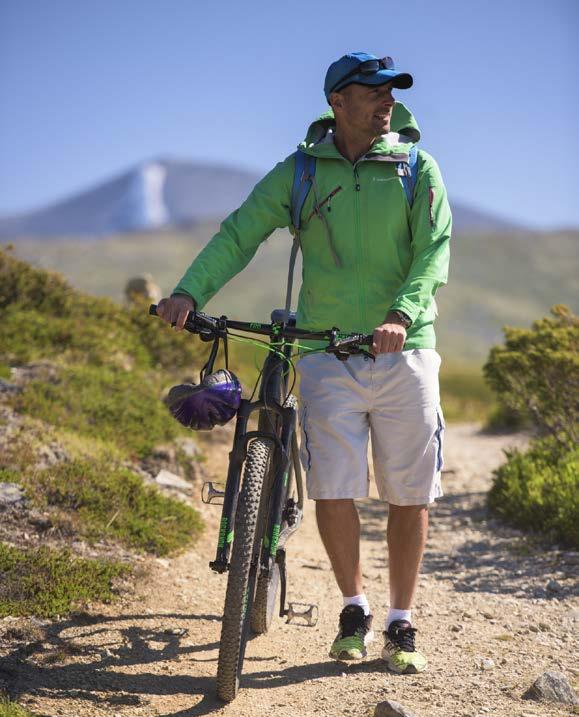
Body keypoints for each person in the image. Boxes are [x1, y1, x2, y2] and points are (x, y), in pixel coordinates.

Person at [157, 52, 452, 674]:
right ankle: (354, 608)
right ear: (337, 102)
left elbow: (433, 252)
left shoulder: (416, 169)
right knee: (334, 487)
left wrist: (400, 315)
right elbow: (240, 233)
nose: (385, 101)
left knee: (409, 495)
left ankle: (401, 620)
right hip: (325, 351)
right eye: (372, 92)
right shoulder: (299, 173)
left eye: (390, 92)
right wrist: (190, 292)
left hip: (407, 349)